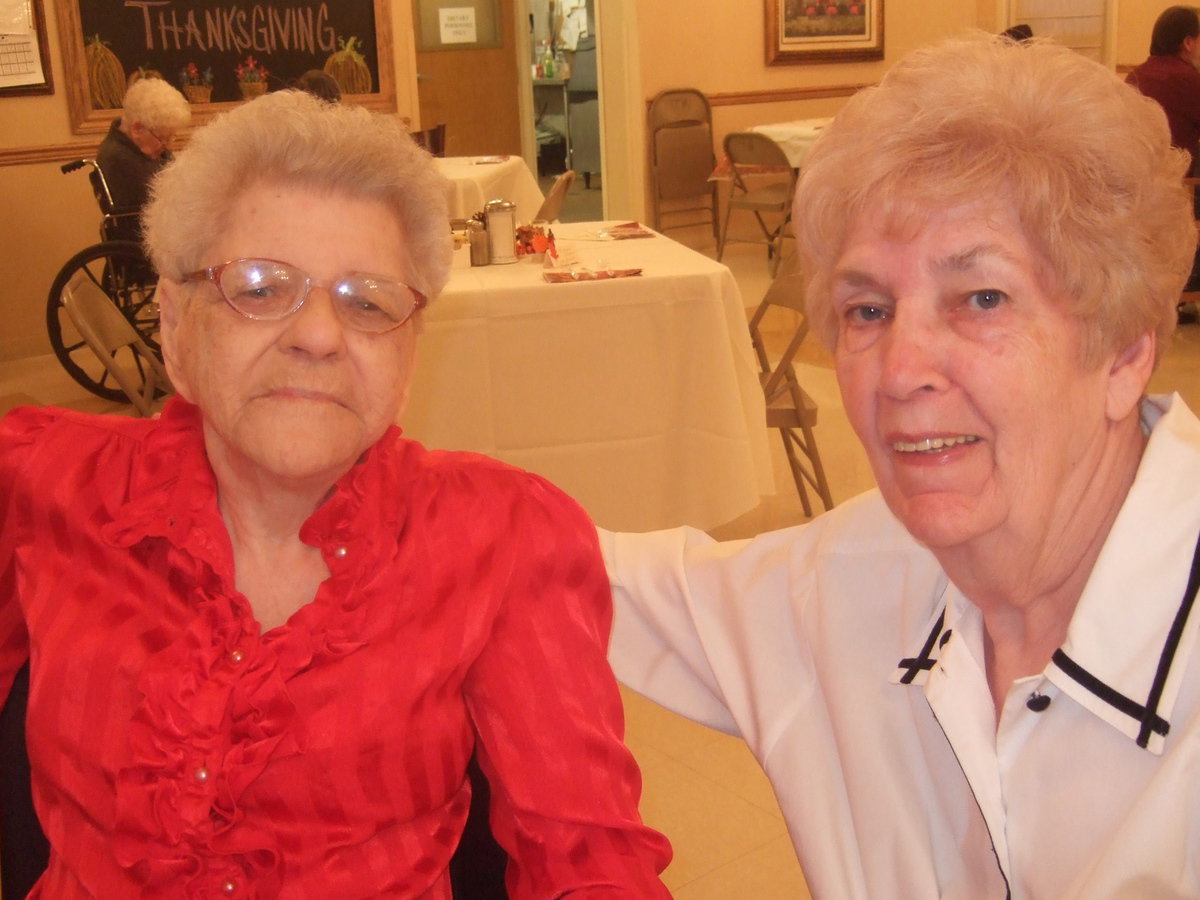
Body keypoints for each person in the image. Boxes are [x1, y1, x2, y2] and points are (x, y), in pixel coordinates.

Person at [0, 90, 670, 896]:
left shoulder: (503, 536)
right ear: (175, 329)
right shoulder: (40, 482)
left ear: (409, 357)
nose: (318, 335)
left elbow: (589, 863)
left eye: (367, 302)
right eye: (258, 285)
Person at [605, 33, 1200, 897]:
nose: (900, 369)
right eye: (868, 308)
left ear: (1123, 354)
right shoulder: (849, 575)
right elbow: (552, 568)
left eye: (982, 297)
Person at [95, 77, 191, 235]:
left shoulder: (147, 149)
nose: (169, 146)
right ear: (137, 129)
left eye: (171, 137)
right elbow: (162, 206)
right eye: (163, 138)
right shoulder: (118, 159)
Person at [1126, 6, 1200, 174]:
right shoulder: (1188, 79)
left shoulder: (1134, 75)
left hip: (1134, 174)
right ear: (1188, 43)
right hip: (1174, 183)